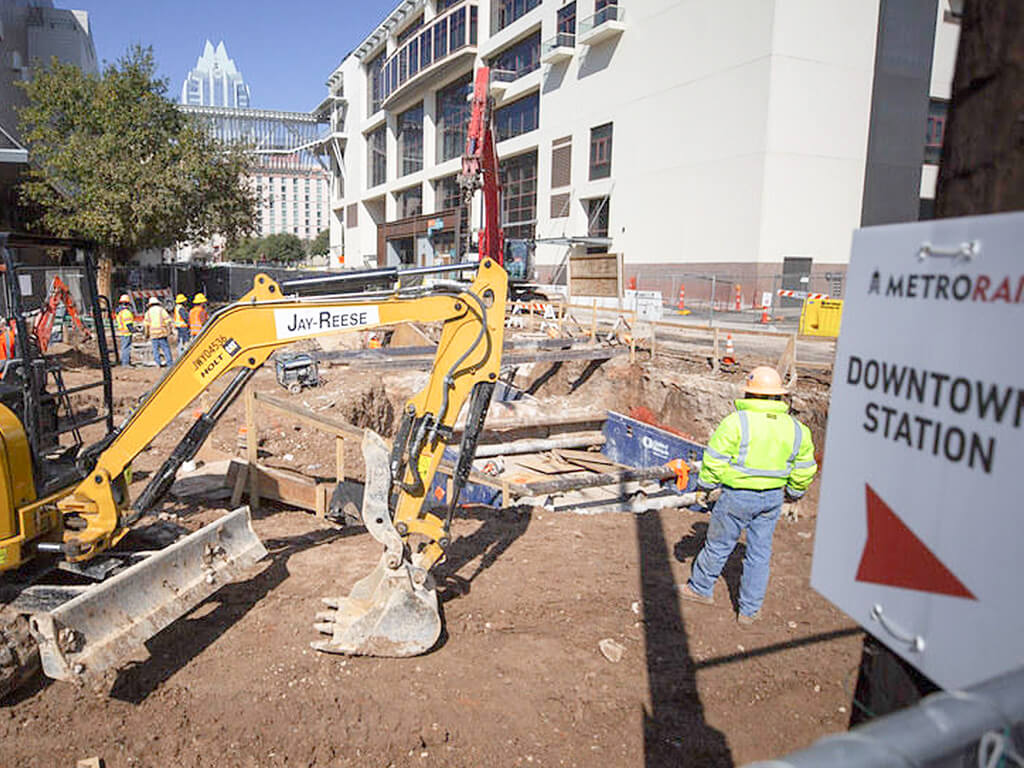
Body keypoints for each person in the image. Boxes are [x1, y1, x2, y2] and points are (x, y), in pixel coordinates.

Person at [678, 366, 818, 625]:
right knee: (760, 553)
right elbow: (805, 466)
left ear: (750, 393)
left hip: (737, 496)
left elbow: (715, 460)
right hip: (773, 497)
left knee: (719, 544)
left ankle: (700, 589)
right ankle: (749, 610)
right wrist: (795, 492)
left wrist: (706, 486)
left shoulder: (736, 423)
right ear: (778, 396)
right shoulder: (796, 428)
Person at [143, 296, 173, 367]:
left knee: (155, 350)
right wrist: (170, 331)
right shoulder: (161, 310)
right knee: (166, 349)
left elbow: (146, 325)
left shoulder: (148, 313)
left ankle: (158, 363)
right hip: (162, 333)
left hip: (153, 334)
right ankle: (169, 363)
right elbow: (168, 321)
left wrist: (146, 335)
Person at [114, 294, 135, 367]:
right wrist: (133, 330)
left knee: (124, 347)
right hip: (126, 333)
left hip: (122, 332)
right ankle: (126, 363)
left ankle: (125, 362)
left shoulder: (119, 312)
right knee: (126, 348)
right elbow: (128, 323)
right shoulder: (126, 312)